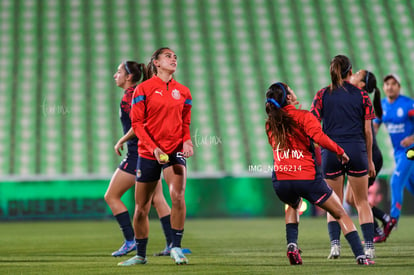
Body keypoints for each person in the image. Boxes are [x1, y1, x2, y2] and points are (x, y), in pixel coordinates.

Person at [265, 82, 374, 265]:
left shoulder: (270, 124)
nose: (293, 90)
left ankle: (292, 245)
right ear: (289, 98)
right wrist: (340, 151)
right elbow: (320, 138)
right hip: (306, 177)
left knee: (293, 204)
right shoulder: (303, 116)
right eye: (291, 89)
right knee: (340, 213)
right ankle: (361, 257)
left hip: (281, 179)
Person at [118, 47, 193, 266]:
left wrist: (187, 140)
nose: (173, 59)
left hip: (175, 149)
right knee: (141, 206)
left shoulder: (184, 92)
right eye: (168, 56)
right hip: (149, 152)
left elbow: (186, 122)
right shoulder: (143, 89)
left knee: (178, 196)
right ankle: (140, 255)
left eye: (175, 57)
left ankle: (176, 247)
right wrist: (154, 149)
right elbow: (137, 125)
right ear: (156, 63)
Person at [105, 61, 174, 257]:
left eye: (118, 72)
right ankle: (172, 244)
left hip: (137, 155)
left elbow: (139, 125)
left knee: (111, 196)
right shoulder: (141, 93)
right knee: (157, 199)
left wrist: (121, 140)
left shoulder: (130, 97)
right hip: (149, 152)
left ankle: (130, 241)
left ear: (128, 77)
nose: (114, 75)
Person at [310, 55, 376, 259]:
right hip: (356, 150)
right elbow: (368, 132)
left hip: (331, 151)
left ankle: (335, 246)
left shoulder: (322, 95)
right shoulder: (363, 96)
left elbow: (312, 127)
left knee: (334, 202)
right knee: (362, 201)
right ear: (350, 72)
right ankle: (369, 248)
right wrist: (370, 159)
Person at [347, 70, 391, 243]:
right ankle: (382, 220)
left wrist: (369, 160)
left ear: (362, 84)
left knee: (358, 199)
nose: (353, 74)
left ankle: (374, 232)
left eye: (357, 73)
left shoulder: (359, 100)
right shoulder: (357, 99)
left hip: (369, 155)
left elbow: (367, 133)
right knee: (352, 199)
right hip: (366, 154)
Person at [373, 73, 414, 240]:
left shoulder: (408, 104)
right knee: (411, 186)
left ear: (399, 87)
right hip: (398, 153)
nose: (390, 86)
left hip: (411, 150)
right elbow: (374, 129)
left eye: (393, 83)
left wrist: (412, 138)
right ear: (384, 87)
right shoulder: (382, 106)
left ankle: (391, 223)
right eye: (387, 83)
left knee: (395, 181)